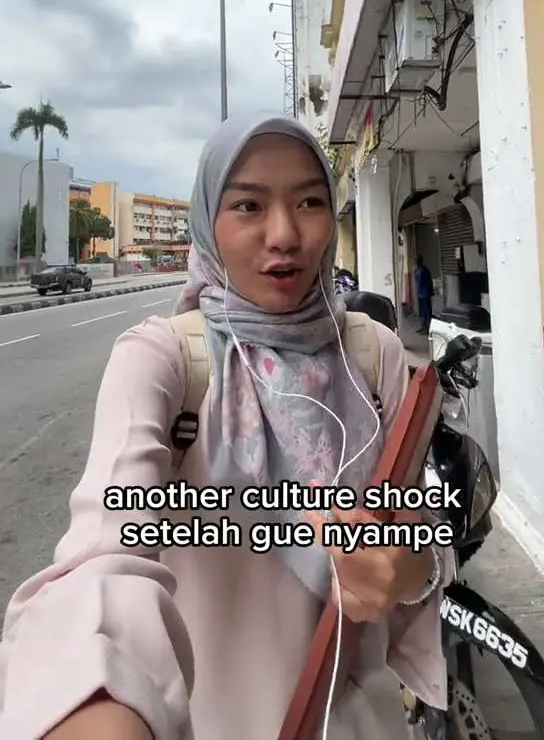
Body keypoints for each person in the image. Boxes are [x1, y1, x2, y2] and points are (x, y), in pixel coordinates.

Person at [0, 113, 454, 740]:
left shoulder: (372, 357)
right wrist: (94, 699)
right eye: (248, 205)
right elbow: (104, 555)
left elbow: (425, 541)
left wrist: (407, 568)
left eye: (310, 202)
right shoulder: (161, 359)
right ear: (208, 221)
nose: (285, 234)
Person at [414, 255, 434, 335]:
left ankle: (428, 327)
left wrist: (431, 291)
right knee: (423, 312)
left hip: (425, 293)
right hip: (420, 293)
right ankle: (423, 326)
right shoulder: (416, 270)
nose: (417, 262)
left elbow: (429, 281)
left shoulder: (425, 270)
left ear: (421, 261)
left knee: (427, 311)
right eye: (416, 260)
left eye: (418, 260)